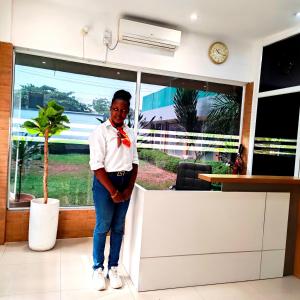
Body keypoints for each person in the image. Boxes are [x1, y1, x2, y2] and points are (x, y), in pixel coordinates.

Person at [88, 90, 139, 290]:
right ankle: (97, 269)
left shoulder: (130, 133)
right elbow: (97, 166)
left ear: (127, 112)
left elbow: (134, 163)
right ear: (110, 108)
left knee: (118, 228)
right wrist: (113, 192)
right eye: (116, 109)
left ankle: (113, 268)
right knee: (103, 226)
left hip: (124, 183)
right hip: (104, 183)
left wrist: (128, 189)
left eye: (123, 110)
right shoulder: (100, 132)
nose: (119, 113)